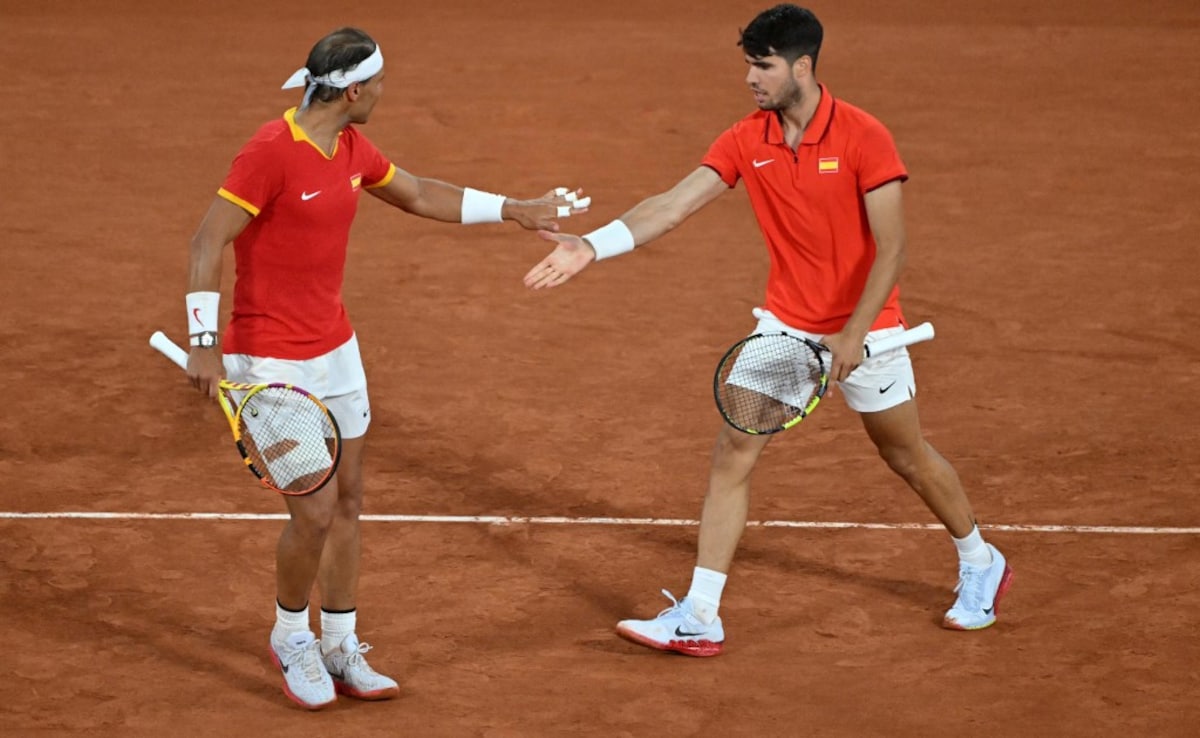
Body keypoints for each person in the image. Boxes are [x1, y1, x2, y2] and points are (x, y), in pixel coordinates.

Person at [524, 4, 1012, 657]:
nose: (751, 78)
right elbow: (672, 204)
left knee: (905, 456)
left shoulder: (864, 137)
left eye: (764, 66)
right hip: (786, 329)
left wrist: (853, 333)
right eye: (749, 65)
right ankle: (701, 614)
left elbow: (892, 249)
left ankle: (980, 559)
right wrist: (592, 244)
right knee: (734, 448)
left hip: (869, 330)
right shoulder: (745, 139)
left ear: (802, 66)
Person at [184, 27, 590, 707]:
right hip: (273, 360)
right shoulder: (270, 151)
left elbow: (419, 193)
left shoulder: (349, 147)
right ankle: (291, 636)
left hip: (336, 350)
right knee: (313, 511)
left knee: (348, 500)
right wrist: (203, 340)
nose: (382, 93)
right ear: (350, 92)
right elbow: (207, 240)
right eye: (377, 84)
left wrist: (513, 210)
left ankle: (340, 644)